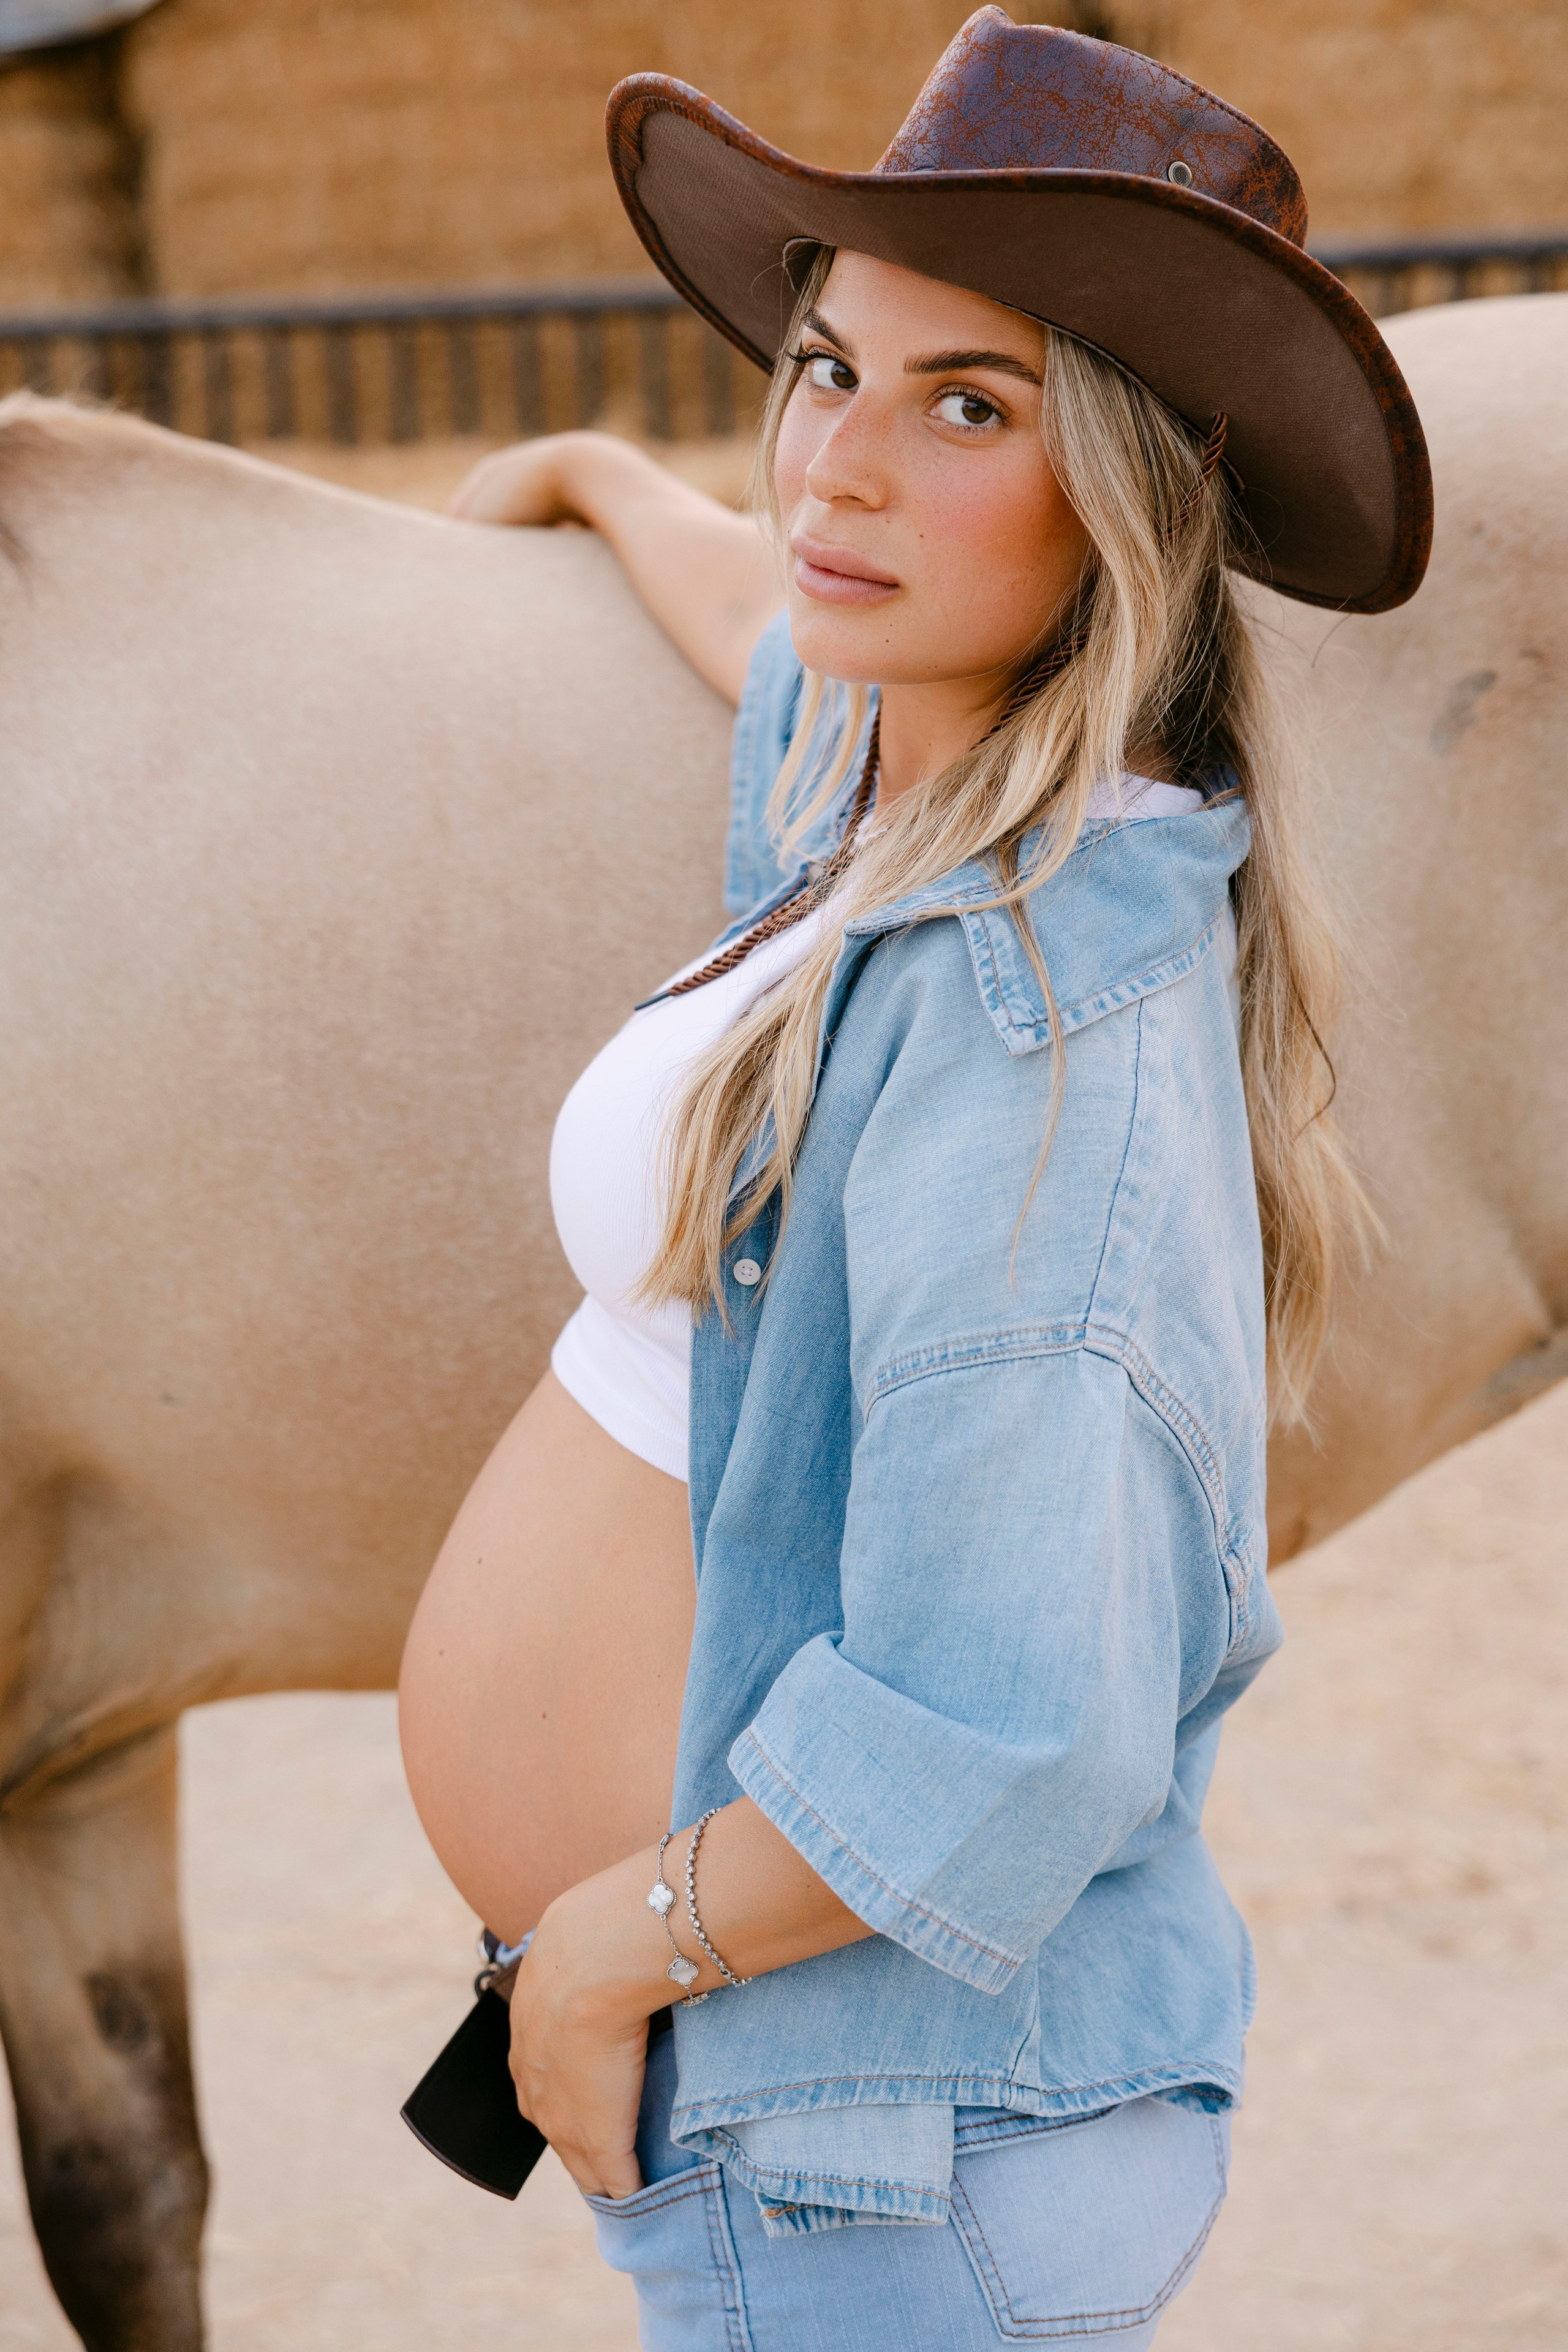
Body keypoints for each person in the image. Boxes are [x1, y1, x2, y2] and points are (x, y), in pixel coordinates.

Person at [399, 12, 1431, 2345]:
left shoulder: (1033, 1023)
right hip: (842, 2127)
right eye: (823, 370)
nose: (837, 468)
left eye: (969, 408)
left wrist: (604, 1952)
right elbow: (775, 630)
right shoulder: (911, 789)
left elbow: (1017, 1720)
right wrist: (597, 475)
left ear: (1133, 494)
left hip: (887, 2169)